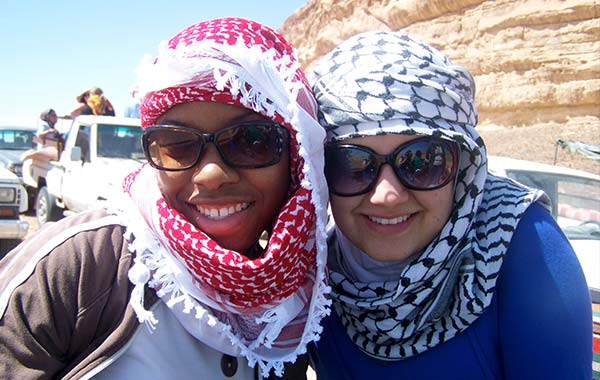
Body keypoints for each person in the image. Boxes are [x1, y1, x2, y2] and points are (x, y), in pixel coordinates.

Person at [0, 17, 330, 379]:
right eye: (177, 145)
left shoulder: (297, 296)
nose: (211, 176)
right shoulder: (82, 267)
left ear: (296, 159)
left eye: (251, 141)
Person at [308, 32, 592, 379]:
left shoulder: (520, 244)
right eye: (352, 164)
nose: (387, 195)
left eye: (422, 161)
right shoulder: (313, 274)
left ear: (461, 165)